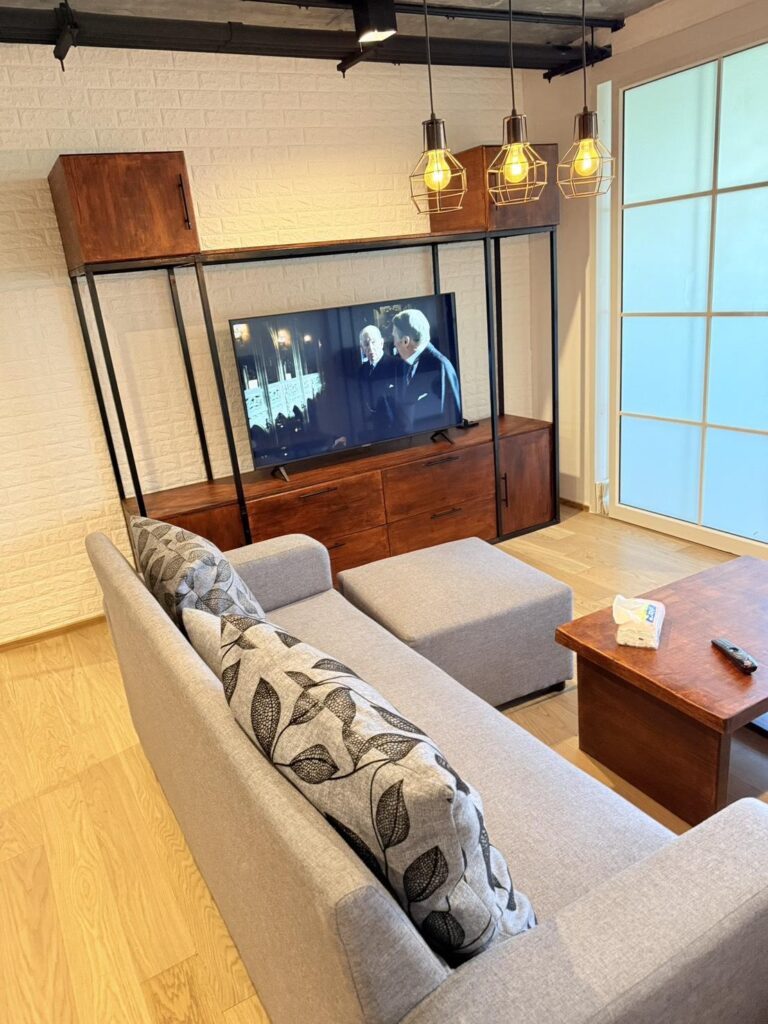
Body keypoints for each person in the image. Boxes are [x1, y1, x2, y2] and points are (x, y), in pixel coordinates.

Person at [392, 308, 461, 434]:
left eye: (395, 337)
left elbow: (450, 420)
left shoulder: (440, 366)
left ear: (406, 341)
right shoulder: (403, 364)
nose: (394, 344)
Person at [357, 324, 398, 440]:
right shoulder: (361, 370)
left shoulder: (396, 365)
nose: (370, 348)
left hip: (395, 430)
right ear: (362, 348)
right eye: (366, 344)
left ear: (381, 343)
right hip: (371, 430)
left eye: (373, 342)